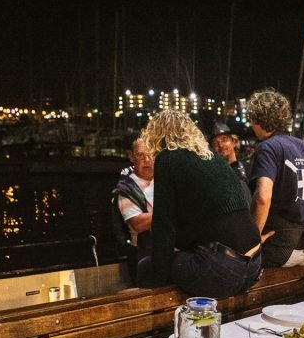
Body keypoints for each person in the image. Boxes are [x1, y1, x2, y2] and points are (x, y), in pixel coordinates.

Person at [138, 109, 262, 298]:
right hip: (254, 264)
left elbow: (164, 226)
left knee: (147, 266)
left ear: (157, 135)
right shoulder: (213, 158)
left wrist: (158, 276)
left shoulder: (168, 158)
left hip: (225, 269)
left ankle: (159, 324)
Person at [246, 88, 304, 268]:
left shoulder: (267, 148)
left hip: (278, 248)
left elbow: (263, 198)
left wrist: (252, 241)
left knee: (233, 262)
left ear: (257, 119)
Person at [112, 138, 154, 281]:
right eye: (140, 155)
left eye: (152, 154)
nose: (147, 160)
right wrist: (173, 211)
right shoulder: (126, 189)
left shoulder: (166, 178)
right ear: (131, 157)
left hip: (171, 251)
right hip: (143, 255)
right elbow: (138, 224)